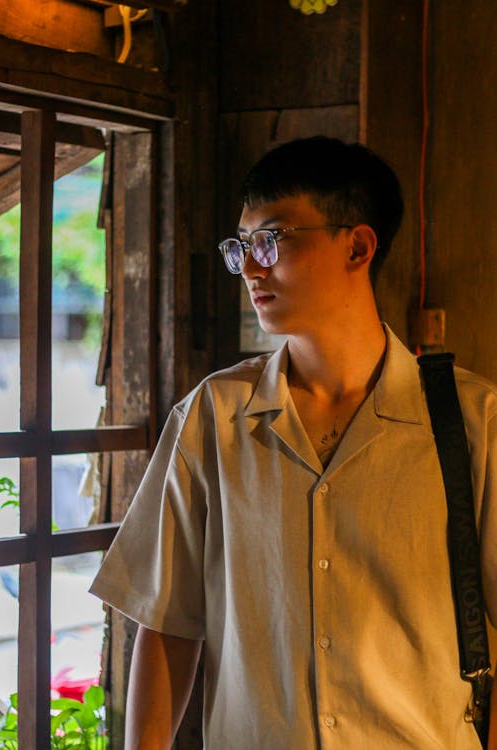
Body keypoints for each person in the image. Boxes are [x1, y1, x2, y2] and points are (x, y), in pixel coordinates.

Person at [90, 136, 496, 749]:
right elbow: (168, 624)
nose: (252, 267)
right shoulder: (216, 416)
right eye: (243, 246)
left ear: (356, 246)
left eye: (272, 240)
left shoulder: (471, 420)